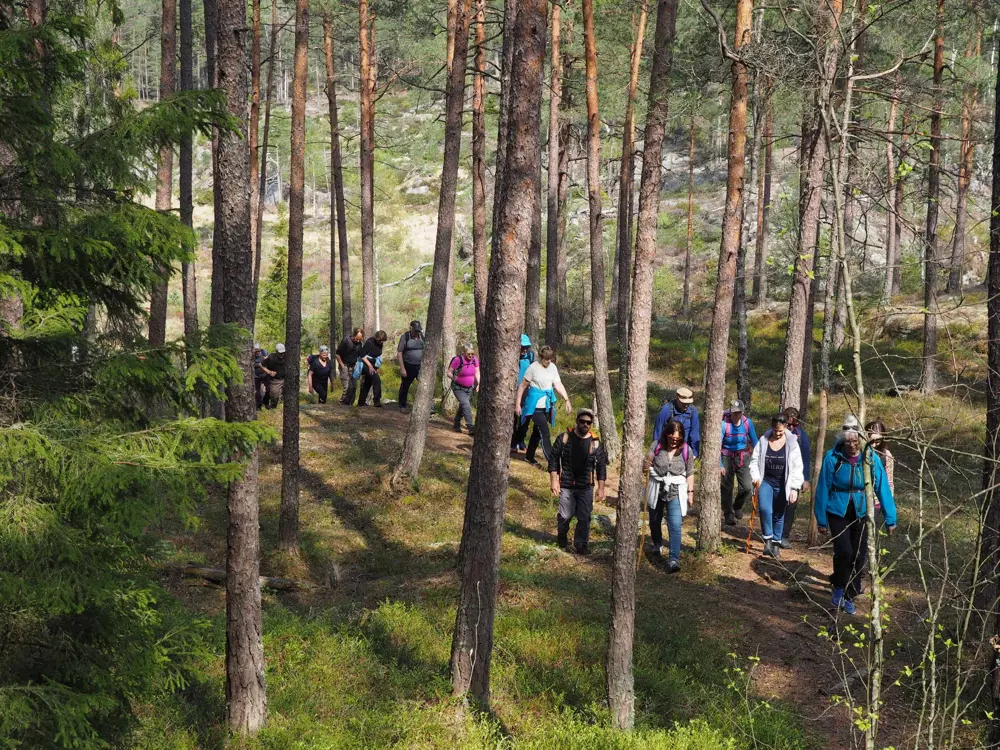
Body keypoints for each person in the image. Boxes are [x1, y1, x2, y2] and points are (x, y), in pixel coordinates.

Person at [814, 418, 897, 615]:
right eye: (848, 442)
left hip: (862, 509)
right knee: (844, 551)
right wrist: (821, 518)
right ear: (843, 441)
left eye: (855, 441)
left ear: (861, 440)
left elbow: (882, 487)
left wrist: (890, 517)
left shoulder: (871, 458)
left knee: (859, 555)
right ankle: (838, 586)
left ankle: (850, 594)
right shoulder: (832, 458)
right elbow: (823, 488)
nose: (852, 445)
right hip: (838, 509)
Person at [548, 408, 607, 554]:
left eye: (588, 422)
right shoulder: (564, 438)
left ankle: (581, 545)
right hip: (567, 484)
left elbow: (601, 466)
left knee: (584, 517)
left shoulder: (596, 443)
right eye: (582, 421)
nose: (585, 425)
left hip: (586, 486)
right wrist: (554, 481)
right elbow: (553, 459)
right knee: (565, 516)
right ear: (577, 421)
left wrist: (601, 488)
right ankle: (562, 539)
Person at [749, 413, 805, 559]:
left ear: (786, 427)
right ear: (772, 427)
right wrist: (755, 477)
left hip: (783, 483)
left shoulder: (792, 443)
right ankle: (767, 539)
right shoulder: (763, 440)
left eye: (781, 431)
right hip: (766, 481)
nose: (778, 433)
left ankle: (775, 543)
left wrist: (794, 488)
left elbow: (797, 466)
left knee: (779, 514)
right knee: (765, 509)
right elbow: (755, 460)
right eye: (775, 430)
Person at [643, 419, 695, 572]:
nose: (674, 441)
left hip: (676, 490)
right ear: (666, 434)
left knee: (675, 524)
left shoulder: (687, 450)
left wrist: (690, 493)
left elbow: (690, 472)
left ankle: (673, 559)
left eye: (677, 439)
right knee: (654, 519)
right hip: (657, 487)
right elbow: (645, 465)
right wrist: (646, 465)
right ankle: (657, 543)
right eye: (671, 438)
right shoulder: (656, 445)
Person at [515, 345, 572, 466]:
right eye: (547, 359)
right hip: (534, 406)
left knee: (537, 432)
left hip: (546, 405)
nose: (549, 361)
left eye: (550, 359)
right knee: (544, 433)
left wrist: (567, 399)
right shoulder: (533, 368)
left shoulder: (552, 368)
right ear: (541, 357)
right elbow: (522, 386)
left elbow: (558, 384)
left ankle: (529, 456)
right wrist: (517, 404)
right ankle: (554, 462)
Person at [720, 399, 758, 526]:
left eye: (739, 413)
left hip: (743, 456)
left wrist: (759, 460)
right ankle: (728, 515)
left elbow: (755, 442)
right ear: (730, 412)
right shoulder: (724, 424)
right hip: (726, 456)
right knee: (727, 487)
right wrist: (720, 464)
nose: (737, 416)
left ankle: (737, 506)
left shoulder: (747, 423)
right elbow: (717, 445)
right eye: (734, 413)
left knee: (747, 486)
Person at [779, 406, 811, 549]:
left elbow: (805, 458)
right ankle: (774, 534)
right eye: (789, 424)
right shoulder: (776, 433)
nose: (791, 427)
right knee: (776, 505)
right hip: (777, 475)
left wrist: (805, 479)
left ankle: (784, 536)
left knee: (791, 506)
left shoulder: (801, 436)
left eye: (794, 424)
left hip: (794, 477)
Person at [652, 386, 701, 456]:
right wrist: (657, 450)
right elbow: (658, 431)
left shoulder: (693, 411)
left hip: (684, 449)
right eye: (683, 403)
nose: (686, 406)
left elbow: (694, 433)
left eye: (688, 403)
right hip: (667, 449)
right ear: (677, 398)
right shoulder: (666, 409)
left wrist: (695, 453)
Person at [447, 343, 480, 435]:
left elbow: (477, 372)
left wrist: (479, 384)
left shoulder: (474, 360)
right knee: (466, 404)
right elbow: (449, 372)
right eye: (468, 354)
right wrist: (454, 378)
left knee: (463, 406)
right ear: (464, 353)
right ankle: (470, 427)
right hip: (458, 387)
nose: (471, 356)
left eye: (472, 354)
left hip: (469, 388)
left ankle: (456, 424)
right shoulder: (458, 360)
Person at [511, 334, 536, 453]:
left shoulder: (530, 356)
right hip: (512, 391)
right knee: (514, 417)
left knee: (526, 418)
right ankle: (513, 442)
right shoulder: (511, 356)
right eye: (522, 347)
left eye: (526, 347)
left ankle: (521, 440)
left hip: (527, 391)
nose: (524, 349)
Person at [396, 320, 425, 412]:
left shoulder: (422, 336)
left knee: (424, 385)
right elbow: (400, 353)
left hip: (420, 366)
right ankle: (402, 406)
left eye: (418, 330)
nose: (417, 332)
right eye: (415, 330)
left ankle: (427, 407)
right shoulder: (405, 337)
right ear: (411, 328)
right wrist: (402, 368)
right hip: (408, 365)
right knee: (405, 386)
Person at [356, 330, 388, 407]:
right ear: (376, 337)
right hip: (365, 364)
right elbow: (362, 355)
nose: (380, 342)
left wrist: (376, 366)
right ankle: (376, 401)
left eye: (382, 341)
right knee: (377, 380)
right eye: (379, 340)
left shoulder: (380, 344)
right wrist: (370, 366)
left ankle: (361, 402)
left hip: (373, 364)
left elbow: (378, 355)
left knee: (368, 383)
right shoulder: (369, 342)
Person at [335, 327, 364, 405]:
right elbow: (337, 354)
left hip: (353, 367)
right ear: (353, 335)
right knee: (347, 387)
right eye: (356, 339)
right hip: (344, 365)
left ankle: (350, 404)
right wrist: (342, 366)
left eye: (360, 339)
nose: (358, 341)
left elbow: (360, 356)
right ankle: (343, 403)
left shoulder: (359, 344)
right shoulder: (346, 341)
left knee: (354, 386)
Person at [259, 343, 286, 409]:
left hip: (286, 378)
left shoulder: (287, 356)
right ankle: (271, 407)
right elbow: (260, 364)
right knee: (274, 395)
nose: (282, 354)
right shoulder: (271, 357)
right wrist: (269, 372)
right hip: (275, 380)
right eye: (280, 353)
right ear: (276, 352)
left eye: (283, 352)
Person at [253, 342, 268, 410]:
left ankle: (266, 403)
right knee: (257, 391)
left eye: (258, 351)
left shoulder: (264, 352)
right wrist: (258, 364)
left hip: (265, 374)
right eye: (256, 351)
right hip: (256, 375)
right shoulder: (252, 356)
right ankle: (258, 406)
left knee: (269, 389)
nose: (257, 353)